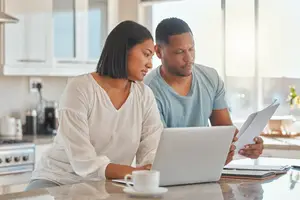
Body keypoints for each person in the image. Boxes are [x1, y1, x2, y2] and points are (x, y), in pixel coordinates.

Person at [26, 21, 163, 190]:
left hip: (106, 184)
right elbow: (84, 162)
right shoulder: (80, 88)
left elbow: (151, 149)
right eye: (146, 54)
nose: (150, 64)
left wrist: (150, 169)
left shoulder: (144, 96)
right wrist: (135, 172)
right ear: (124, 50)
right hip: (58, 181)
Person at [144, 17, 263, 165]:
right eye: (180, 51)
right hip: (168, 173)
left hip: (206, 170)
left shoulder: (210, 78)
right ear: (159, 52)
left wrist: (246, 146)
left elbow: (225, 130)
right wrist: (210, 158)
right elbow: (161, 152)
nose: (189, 58)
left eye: (191, 49)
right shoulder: (148, 90)